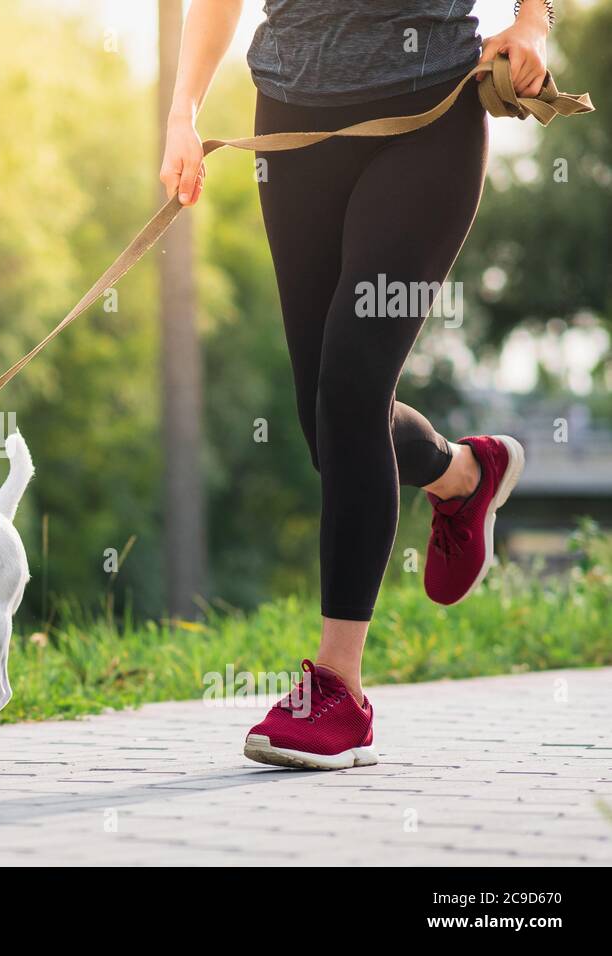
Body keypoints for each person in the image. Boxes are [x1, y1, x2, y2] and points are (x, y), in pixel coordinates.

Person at [160, 0, 552, 769]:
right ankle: (464, 475)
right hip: (291, 121)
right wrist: (184, 111)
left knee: (350, 390)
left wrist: (533, 21)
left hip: (427, 110)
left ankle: (340, 691)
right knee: (326, 425)